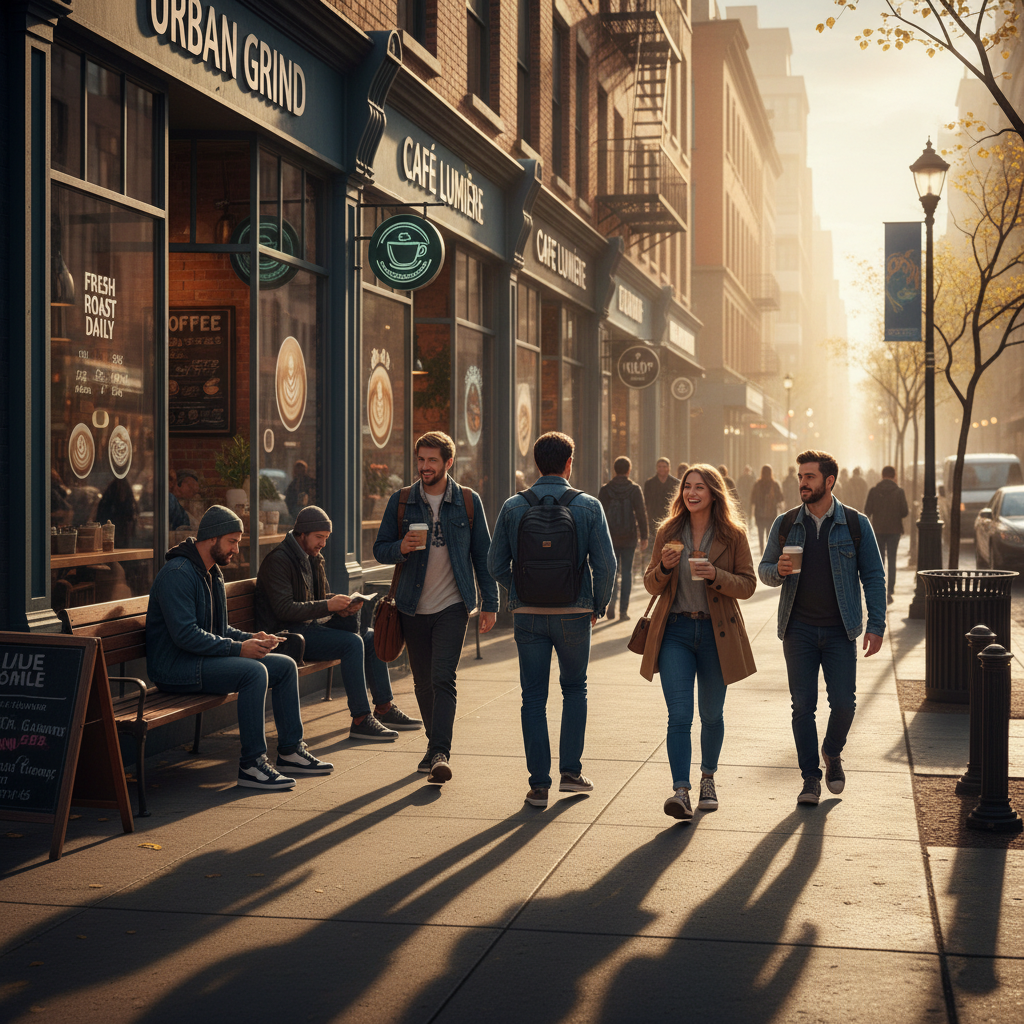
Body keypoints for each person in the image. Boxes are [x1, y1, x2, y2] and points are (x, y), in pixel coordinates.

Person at [146, 505, 333, 791]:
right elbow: (186, 636)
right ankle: (252, 765)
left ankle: (291, 751)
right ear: (212, 539)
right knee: (253, 673)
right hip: (175, 667)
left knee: (283, 665)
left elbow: (219, 631)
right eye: (232, 541)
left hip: (200, 659)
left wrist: (252, 637)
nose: (236, 548)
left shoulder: (212, 573)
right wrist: (238, 649)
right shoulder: (178, 574)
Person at [488, 431, 616, 809]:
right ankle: (571, 774)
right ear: (569, 463)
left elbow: (496, 563)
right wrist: (598, 604)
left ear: (535, 463)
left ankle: (539, 785)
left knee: (533, 697)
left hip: (528, 617)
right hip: (575, 613)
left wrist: (520, 592)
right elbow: (606, 564)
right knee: (575, 689)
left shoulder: (513, 506)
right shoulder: (588, 506)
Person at [758, 450, 886, 806]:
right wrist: (778, 571)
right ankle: (810, 778)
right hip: (797, 630)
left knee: (844, 703)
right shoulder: (786, 523)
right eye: (801, 476)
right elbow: (764, 569)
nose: (803, 483)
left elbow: (874, 577)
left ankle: (832, 751)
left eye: (810, 477)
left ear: (829, 481)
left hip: (839, 631)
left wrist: (876, 624)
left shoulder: (856, 524)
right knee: (803, 706)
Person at [373, 431, 498, 784]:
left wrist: (490, 603)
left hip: (453, 605)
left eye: (431, 460)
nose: (424, 467)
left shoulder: (468, 502)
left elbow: (482, 555)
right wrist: (401, 547)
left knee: (444, 678)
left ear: (448, 462)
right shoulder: (401, 501)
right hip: (412, 606)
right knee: (423, 682)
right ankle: (434, 746)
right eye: (421, 460)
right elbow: (380, 548)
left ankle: (440, 752)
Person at [640, 465, 756, 820]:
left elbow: (748, 584)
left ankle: (707, 777)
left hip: (715, 635)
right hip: (674, 632)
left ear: (714, 493)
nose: (691, 493)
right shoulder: (669, 531)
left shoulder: (733, 535)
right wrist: (662, 567)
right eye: (687, 487)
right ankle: (680, 791)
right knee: (679, 715)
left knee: (711, 714)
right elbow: (650, 584)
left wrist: (715, 575)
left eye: (699, 487)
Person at [256, 505, 420, 740]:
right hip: (286, 636)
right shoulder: (279, 561)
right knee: (352, 643)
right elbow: (284, 609)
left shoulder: (313, 556)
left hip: (308, 626)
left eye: (326, 538)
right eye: (319, 537)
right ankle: (361, 719)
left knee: (371, 637)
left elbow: (319, 598)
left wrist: (342, 605)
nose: (323, 543)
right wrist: (328, 605)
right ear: (302, 534)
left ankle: (384, 708)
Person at [597, 456, 648, 621]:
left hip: (610, 538)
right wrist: (645, 536)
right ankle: (623, 611)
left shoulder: (606, 489)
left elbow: (600, 515)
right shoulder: (634, 489)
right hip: (629, 538)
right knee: (626, 573)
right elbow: (641, 514)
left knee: (612, 571)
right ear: (628, 470)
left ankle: (611, 604)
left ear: (614, 470)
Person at [864, 466, 909, 605]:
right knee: (892, 559)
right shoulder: (899, 492)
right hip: (894, 530)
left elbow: (867, 510)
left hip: (877, 530)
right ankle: (890, 590)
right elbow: (905, 512)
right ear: (894, 475)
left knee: (880, 561)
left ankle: (880, 589)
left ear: (882, 475)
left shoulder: (873, 491)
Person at [749, 464, 784, 554]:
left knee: (760, 533)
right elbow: (780, 498)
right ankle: (768, 552)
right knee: (770, 533)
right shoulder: (774, 484)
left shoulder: (757, 484)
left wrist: (752, 512)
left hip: (759, 514)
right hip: (771, 513)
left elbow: (752, 499)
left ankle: (761, 550)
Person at [643, 458, 680, 539]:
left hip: (670, 517)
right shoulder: (649, 483)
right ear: (656, 468)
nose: (662, 469)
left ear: (669, 467)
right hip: (653, 518)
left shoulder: (676, 483)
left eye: (664, 466)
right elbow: (646, 502)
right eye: (659, 466)